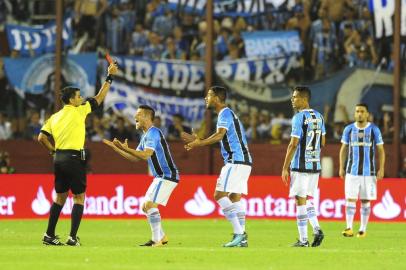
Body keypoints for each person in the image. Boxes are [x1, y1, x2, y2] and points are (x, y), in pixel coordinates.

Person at [37, 62, 118, 246]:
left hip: (59, 159)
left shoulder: (54, 117)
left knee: (59, 197)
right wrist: (109, 77)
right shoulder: (79, 111)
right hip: (74, 158)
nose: (82, 98)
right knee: (79, 197)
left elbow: (41, 137)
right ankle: (72, 238)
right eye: (79, 96)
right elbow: (99, 98)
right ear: (72, 100)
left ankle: (49, 235)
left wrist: (52, 151)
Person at [183, 86, 252, 248]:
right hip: (244, 161)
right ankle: (242, 239)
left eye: (208, 95)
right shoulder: (228, 114)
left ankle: (239, 234)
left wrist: (199, 143)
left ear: (216, 97)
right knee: (235, 198)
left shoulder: (224, 113)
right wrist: (200, 141)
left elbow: (220, 134)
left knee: (219, 194)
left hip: (235, 160)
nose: (206, 98)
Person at [103, 105, 179, 247]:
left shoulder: (153, 133)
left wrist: (127, 148)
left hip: (167, 175)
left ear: (146, 117)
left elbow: (146, 155)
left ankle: (156, 240)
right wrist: (118, 149)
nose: (135, 117)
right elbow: (134, 158)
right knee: (145, 207)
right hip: (161, 176)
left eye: (138, 114)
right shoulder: (146, 136)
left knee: (150, 204)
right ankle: (161, 236)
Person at [281, 86, 325, 248]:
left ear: (304, 99)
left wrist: (285, 167)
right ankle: (316, 229)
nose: (292, 100)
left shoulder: (299, 117)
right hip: (315, 165)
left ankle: (304, 239)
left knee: (300, 200)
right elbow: (323, 142)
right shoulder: (319, 117)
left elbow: (293, 144)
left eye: (295, 97)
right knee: (306, 199)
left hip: (300, 165)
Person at [339, 103, 385, 238]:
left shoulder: (374, 129)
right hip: (351, 172)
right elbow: (343, 149)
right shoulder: (348, 129)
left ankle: (363, 229)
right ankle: (348, 228)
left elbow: (381, 150)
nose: (359, 113)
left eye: (362, 111)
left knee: (365, 201)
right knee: (350, 199)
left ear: (367, 114)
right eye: (357, 111)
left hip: (369, 173)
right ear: (355, 114)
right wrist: (341, 167)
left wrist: (381, 168)